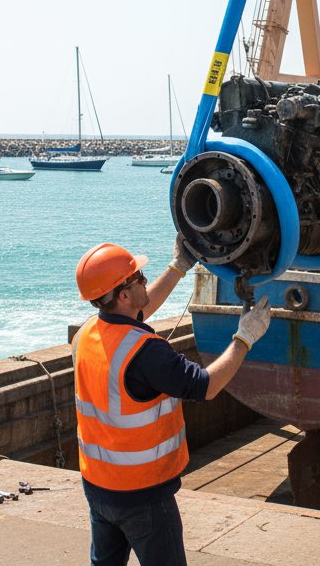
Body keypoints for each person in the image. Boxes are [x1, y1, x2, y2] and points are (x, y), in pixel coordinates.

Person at [73, 235, 271, 566]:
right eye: (138, 277)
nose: (145, 280)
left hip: (98, 486)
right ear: (123, 294)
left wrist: (178, 267)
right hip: (143, 496)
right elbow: (206, 386)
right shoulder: (147, 353)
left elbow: (136, 310)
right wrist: (245, 337)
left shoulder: (87, 334)